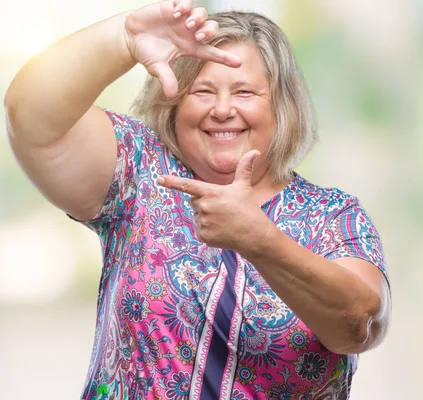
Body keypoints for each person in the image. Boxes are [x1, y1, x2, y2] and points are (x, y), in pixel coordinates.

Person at [4, 0, 391, 398]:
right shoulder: (139, 170)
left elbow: (360, 323)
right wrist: (123, 38)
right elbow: (30, 115)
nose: (222, 110)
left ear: (282, 107)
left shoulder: (331, 215)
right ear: (174, 104)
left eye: (244, 92)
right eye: (203, 91)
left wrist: (260, 240)